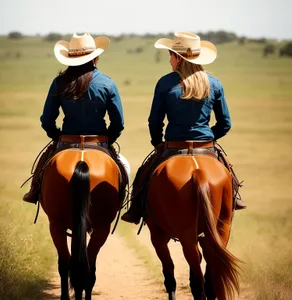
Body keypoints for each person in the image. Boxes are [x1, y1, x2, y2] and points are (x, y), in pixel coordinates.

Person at [121, 32, 246, 225]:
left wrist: (157, 143)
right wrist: (209, 139)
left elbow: (155, 121)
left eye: (170, 55)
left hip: (173, 146)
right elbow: (225, 123)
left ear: (177, 57)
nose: (169, 60)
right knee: (228, 171)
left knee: (144, 173)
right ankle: (235, 196)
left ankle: (135, 208)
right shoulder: (214, 83)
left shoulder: (165, 83)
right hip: (206, 145)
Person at [23, 32, 129, 204]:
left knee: (42, 166)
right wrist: (109, 139)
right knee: (123, 168)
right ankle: (123, 198)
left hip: (66, 141)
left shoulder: (59, 82)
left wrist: (57, 137)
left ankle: (34, 191)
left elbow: (47, 120)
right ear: (95, 57)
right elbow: (118, 122)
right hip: (99, 141)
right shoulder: (107, 83)